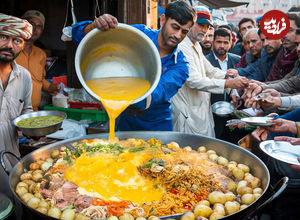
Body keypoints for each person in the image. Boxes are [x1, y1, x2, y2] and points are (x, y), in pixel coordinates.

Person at [72, 0, 195, 131]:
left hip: (156, 127)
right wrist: (94, 26)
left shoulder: (181, 66)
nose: (178, 35)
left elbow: (156, 94)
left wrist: (115, 90)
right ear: (163, 20)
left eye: (184, 32)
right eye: (175, 27)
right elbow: (76, 34)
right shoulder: (139, 35)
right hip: (123, 123)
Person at [171, 6, 248, 137]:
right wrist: (229, 84)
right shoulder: (182, 47)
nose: (204, 30)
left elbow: (210, 70)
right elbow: (193, 81)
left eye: (207, 26)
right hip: (188, 115)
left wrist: (228, 75)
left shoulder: (195, 44)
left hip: (201, 113)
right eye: (200, 25)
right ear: (190, 23)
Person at [0, 13, 33, 165]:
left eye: (17, 41)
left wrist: (33, 129)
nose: (9, 46)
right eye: (3, 37)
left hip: (10, 159)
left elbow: (26, 112)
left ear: (23, 45)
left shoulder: (24, 77)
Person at [16, 10, 59, 111]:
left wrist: (51, 87)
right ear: (23, 25)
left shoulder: (41, 54)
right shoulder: (11, 49)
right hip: (11, 111)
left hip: (33, 110)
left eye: (39, 27)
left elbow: (39, 80)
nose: (35, 29)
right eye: (32, 24)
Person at [265, 12, 300, 82]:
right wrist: (261, 86)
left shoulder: (298, 55)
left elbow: (290, 84)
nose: (284, 35)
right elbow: (272, 77)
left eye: (289, 30)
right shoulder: (282, 52)